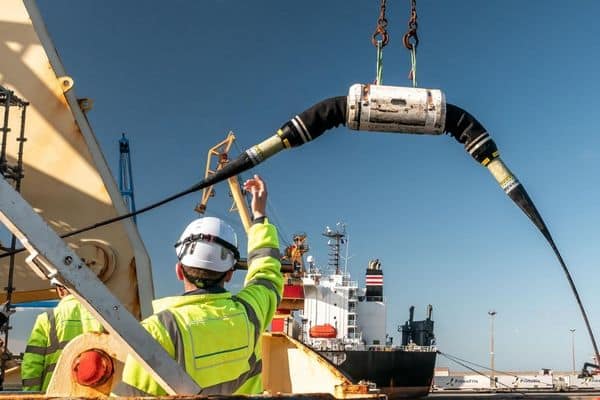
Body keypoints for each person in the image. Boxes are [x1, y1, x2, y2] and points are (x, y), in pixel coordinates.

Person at [113, 174, 283, 396]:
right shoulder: (250, 313)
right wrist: (259, 217)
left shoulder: (157, 331)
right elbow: (267, 274)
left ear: (178, 271)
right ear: (230, 275)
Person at [21, 279, 103, 391]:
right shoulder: (102, 318)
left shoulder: (47, 318)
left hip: (54, 391)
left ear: (60, 290)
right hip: (94, 392)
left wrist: (31, 395)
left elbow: (32, 364)